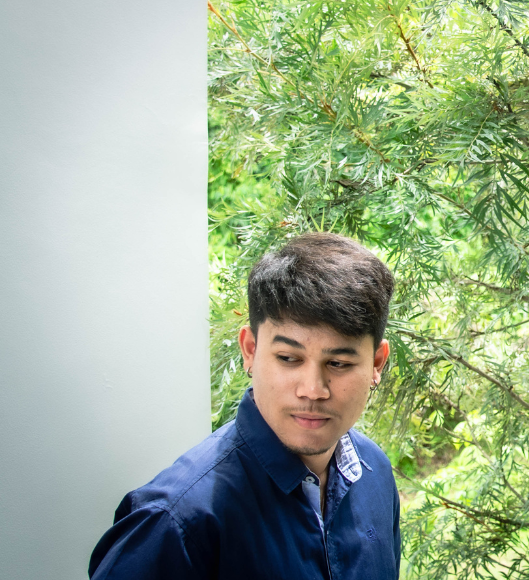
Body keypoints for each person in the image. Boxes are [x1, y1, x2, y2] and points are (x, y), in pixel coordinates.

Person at [89, 233, 402, 579]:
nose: (313, 390)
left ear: (376, 363)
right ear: (250, 350)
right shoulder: (175, 521)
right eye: (288, 358)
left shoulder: (375, 472)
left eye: (338, 363)